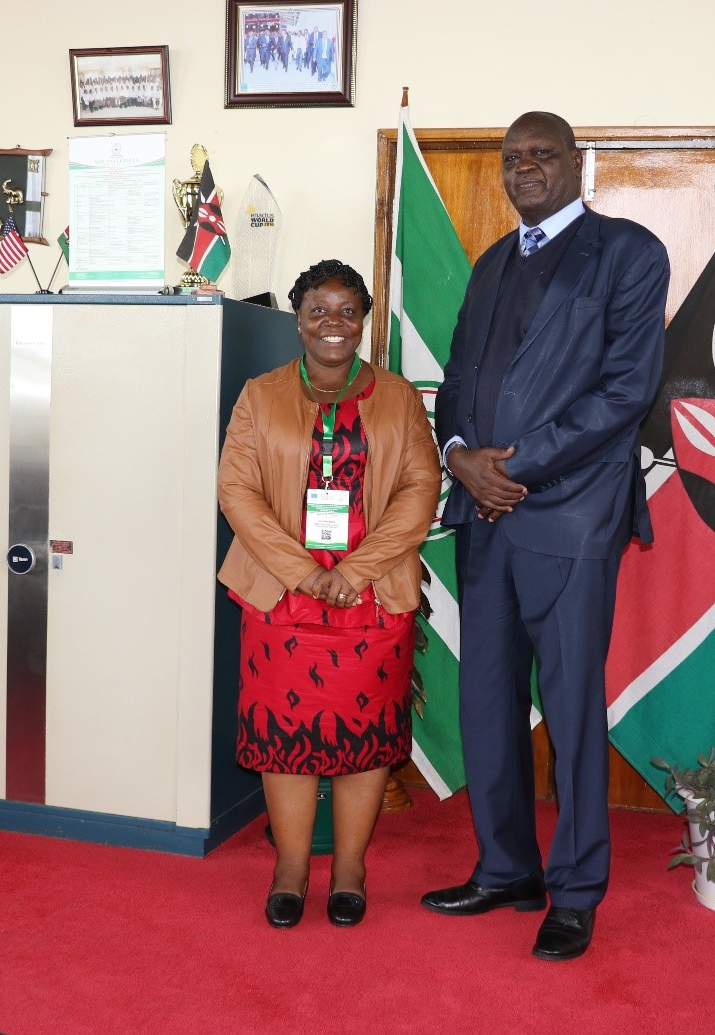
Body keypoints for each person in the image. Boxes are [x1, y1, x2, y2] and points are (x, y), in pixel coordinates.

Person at [422, 111, 670, 961]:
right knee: (486, 700)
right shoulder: (491, 261)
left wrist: (511, 467)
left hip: (567, 517)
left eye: (542, 155)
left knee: (567, 708)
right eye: (512, 158)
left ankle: (573, 888)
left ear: (576, 162)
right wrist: (459, 455)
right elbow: (454, 382)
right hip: (482, 516)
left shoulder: (629, 254)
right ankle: (504, 868)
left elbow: (623, 392)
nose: (525, 168)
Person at [217, 259, 439, 929]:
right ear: (298, 319)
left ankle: (349, 867)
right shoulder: (260, 395)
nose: (332, 323)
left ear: (363, 319)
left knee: (363, 738)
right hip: (280, 597)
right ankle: (289, 866)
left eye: (346, 310)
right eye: (319, 310)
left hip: (370, 599)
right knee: (285, 736)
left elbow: (418, 490)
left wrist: (354, 570)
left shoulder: (398, 397)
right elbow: (237, 489)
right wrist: (302, 571)